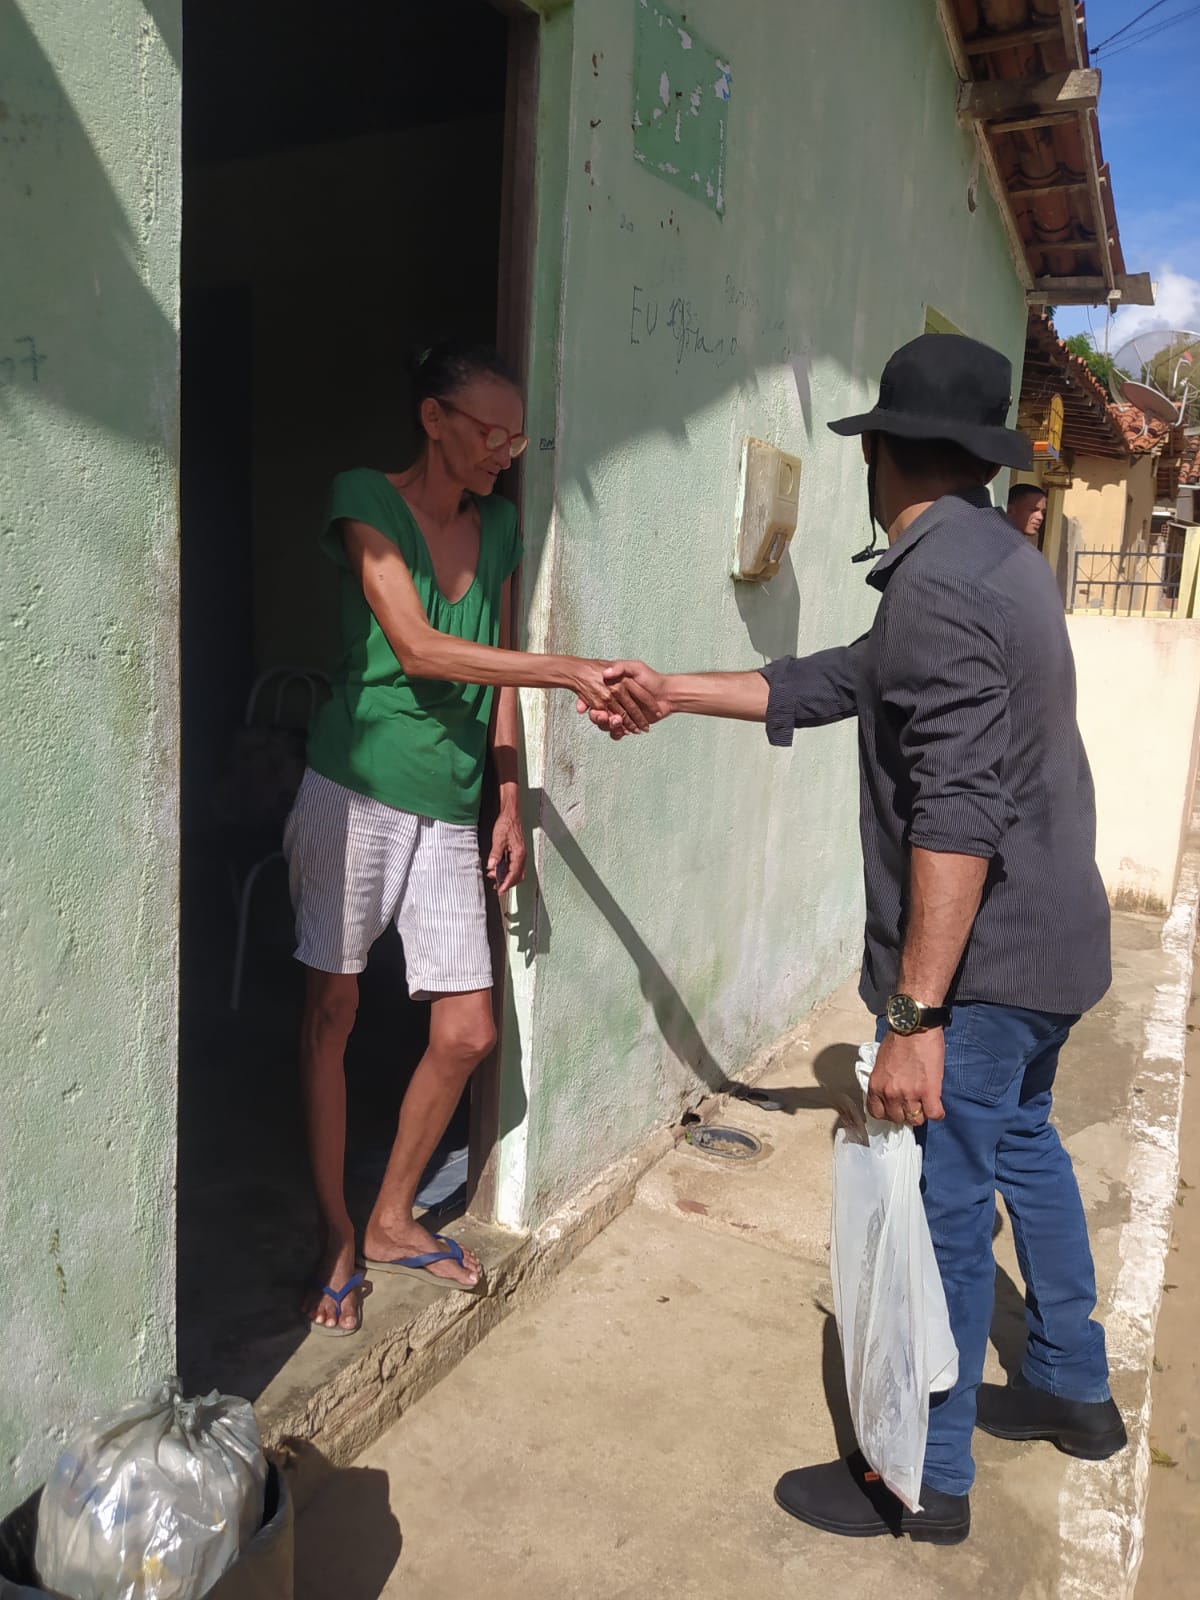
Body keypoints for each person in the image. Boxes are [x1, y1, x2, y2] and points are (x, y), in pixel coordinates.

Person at [588, 334, 1125, 1544]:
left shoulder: (939, 583)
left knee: (944, 1208)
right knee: (1026, 1145)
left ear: (880, 451)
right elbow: (843, 679)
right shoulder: (997, 555)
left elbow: (956, 814)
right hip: (1057, 946)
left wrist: (915, 1018)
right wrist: (671, 689)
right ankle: (1071, 1383)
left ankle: (923, 1478)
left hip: (985, 972)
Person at [286, 341, 655, 1335]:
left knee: (468, 1031)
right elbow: (416, 645)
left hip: (450, 804)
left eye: (517, 441)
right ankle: (336, 1234)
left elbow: (490, 671)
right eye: (492, 433)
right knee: (332, 1012)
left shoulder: (497, 526)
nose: (505, 454)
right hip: (355, 789)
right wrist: (568, 668)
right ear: (433, 419)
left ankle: (392, 1217)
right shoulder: (364, 497)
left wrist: (508, 797)